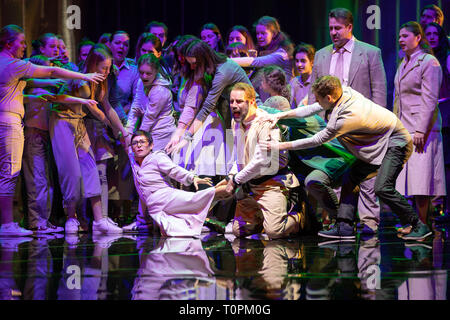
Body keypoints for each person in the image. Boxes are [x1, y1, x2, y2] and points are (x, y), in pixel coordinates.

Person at [261, 76, 432, 241]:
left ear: (329, 97)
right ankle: (345, 226)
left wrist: (280, 146)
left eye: (320, 100)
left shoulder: (346, 118)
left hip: (396, 142)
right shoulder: (345, 92)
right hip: (379, 142)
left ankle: (418, 225)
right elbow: (312, 108)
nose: (318, 104)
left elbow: (317, 139)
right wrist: (279, 116)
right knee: (350, 178)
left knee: (382, 187)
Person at [0, 24, 105, 236]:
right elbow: (51, 70)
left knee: (18, 174)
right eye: (21, 42)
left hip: (11, 121)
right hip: (9, 122)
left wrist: (35, 96)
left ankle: (22, 222)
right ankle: (8, 224)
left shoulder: (6, 65)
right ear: (9, 43)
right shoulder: (12, 64)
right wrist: (84, 77)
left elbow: (18, 89)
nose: (25, 46)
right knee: (10, 173)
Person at [308, 8, 387, 235]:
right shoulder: (323, 55)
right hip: (331, 125)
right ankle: (342, 222)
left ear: (349, 27)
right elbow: (316, 94)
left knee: (366, 174)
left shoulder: (370, 53)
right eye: (330, 28)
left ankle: (369, 222)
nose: (333, 32)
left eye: (337, 28)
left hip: (362, 125)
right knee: (339, 173)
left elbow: (379, 92)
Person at [49, 43, 126, 234]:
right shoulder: (76, 76)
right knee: (71, 173)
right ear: (92, 64)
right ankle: (71, 217)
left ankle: (100, 221)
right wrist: (83, 102)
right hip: (62, 122)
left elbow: (106, 107)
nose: (107, 72)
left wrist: (123, 131)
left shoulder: (100, 82)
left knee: (91, 168)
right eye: (104, 68)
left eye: (109, 68)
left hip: (79, 123)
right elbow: (55, 98)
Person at [220, 82, 303, 239]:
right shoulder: (235, 121)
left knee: (274, 231)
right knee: (239, 231)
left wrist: (236, 180)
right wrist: (231, 176)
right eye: (231, 101)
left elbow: (261, 161)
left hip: (271, 183)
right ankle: (262, 216)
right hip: (250, 185)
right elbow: (238, 156)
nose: (234, 105)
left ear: (252, 102)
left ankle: (301, 217)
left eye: (239, 101)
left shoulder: (265, 122)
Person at [128, 130, 229, 237]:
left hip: (166, 197)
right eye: (135, 143)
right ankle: (208, 225)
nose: (139, 145)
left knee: (198, 198)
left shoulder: (157, 157)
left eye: (142, 142)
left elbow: (174, 170)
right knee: (170, 233)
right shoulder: (133, 160)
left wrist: (192, 177)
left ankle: (234, 185)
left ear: (151, 145)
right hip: (155, 208)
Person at [394, 21, 445, 226]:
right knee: (410, 180)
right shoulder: (403, 63)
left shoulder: (428, 62)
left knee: (422, 180)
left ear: (418, 38)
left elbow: (430, 98)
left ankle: (422, 225)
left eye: (405, 36)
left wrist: (420, 130)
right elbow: (398, 100)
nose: (400, 40)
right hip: (405, 128)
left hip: (422, 130)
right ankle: (414, 223)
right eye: (399, 36)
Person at [22, 55, 64, 234]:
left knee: (45, 181)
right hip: (33, 137)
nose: (49, 73)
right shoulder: (31, 88)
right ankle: (36, 221)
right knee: (36, 181)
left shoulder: (43, 87)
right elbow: (31, 83)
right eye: (46, 70)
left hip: (45, 138)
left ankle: (44, 220)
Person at [231, 16, 295, 96]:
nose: (259, 36)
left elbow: (256, 62)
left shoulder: (281, 54)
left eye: (263, 33)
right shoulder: (261, 51)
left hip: (281, 97)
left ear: (274, 34)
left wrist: (225, 60)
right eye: (257, 33)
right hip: (268, 96)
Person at [425, 22, 450, 219]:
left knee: (446, 162)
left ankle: (445, 207)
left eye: (436, 33)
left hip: (445, 111)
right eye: (428, 33)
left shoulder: (446, 57)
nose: (432, 37)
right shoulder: (420, 58)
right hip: (427, 112)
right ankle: (431, 206)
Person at [125, 53, 176, 151]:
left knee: (151, 163)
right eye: (141, 72)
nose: (144, 76)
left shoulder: (160, 90)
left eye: (148, 73)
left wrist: (138, 140)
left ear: (156, 71)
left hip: (161, 134)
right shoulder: (141, 82)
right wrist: (128, 131)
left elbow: (149, 118)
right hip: (149, 132)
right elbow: (136, 106)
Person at [290, 43, 315, 108]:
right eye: (297, 61)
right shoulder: (294, 82)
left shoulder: (318, 82)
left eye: (303, 61)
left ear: (312, 62)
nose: (299, 64)